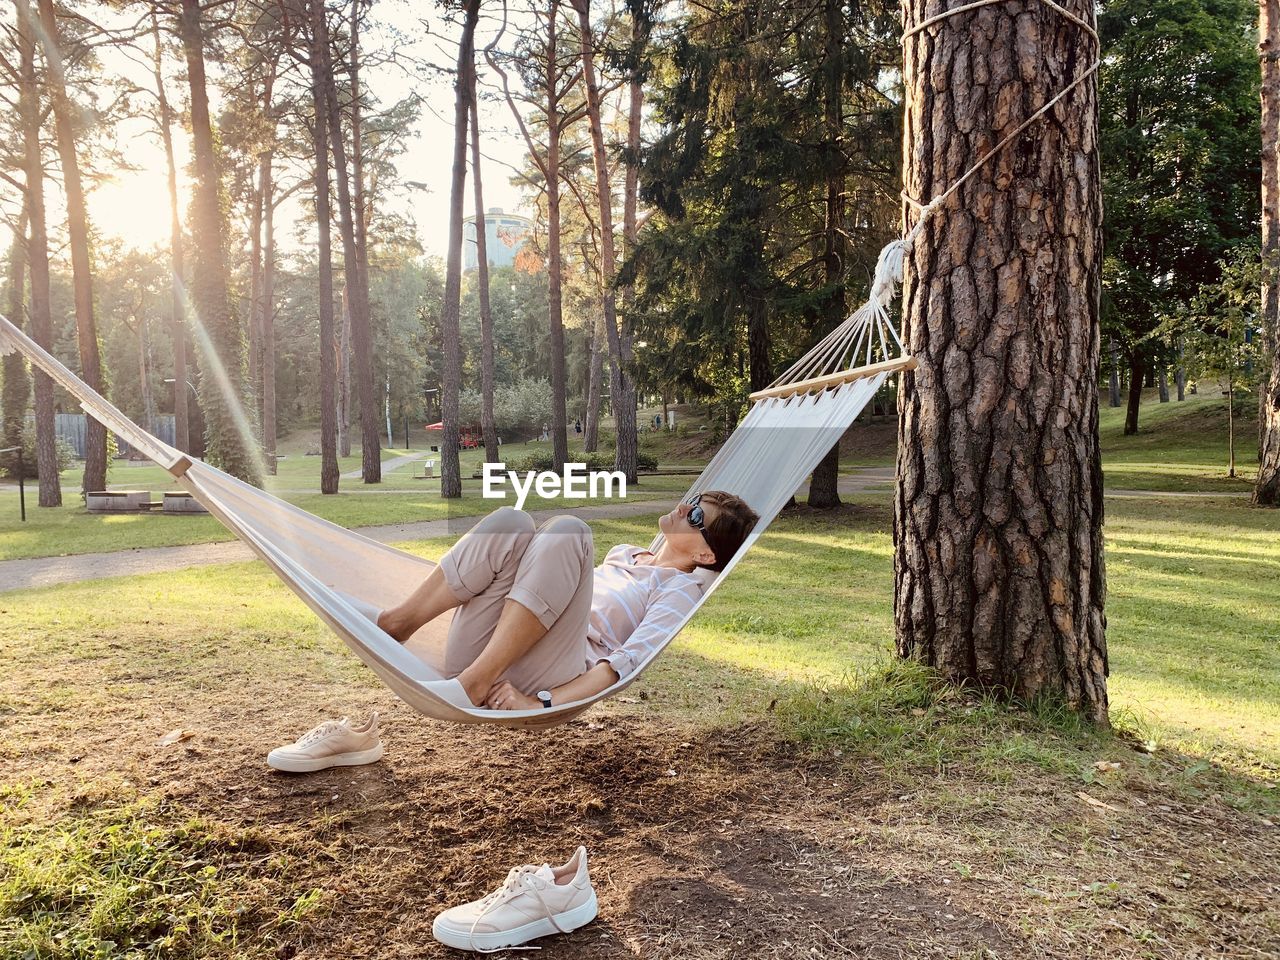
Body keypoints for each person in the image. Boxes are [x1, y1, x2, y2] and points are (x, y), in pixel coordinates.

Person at [375, 491, 759, 711]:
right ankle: (400, 623)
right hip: (484, 653)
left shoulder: (678, 591)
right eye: (691, 501)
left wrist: (539, 703)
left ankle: (475, 681)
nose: (682, 508)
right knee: (514, 520)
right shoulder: (626, 553)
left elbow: (622, 666)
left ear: (707, 557)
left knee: (570, 532)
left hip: (544, 672)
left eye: (695, 515)